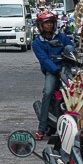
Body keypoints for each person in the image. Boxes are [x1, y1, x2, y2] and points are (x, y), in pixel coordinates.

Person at [32, 9, 73, 139]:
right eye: (46, 23)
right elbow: (44, 60)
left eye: (51, 22)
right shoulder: (37, 43)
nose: (49, 25)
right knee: (48, 92)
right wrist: (56, 70)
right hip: (53, 70)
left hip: (67, 68)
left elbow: (71, 49)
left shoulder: (62, 37)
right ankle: (41, 128)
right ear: (41, 25)